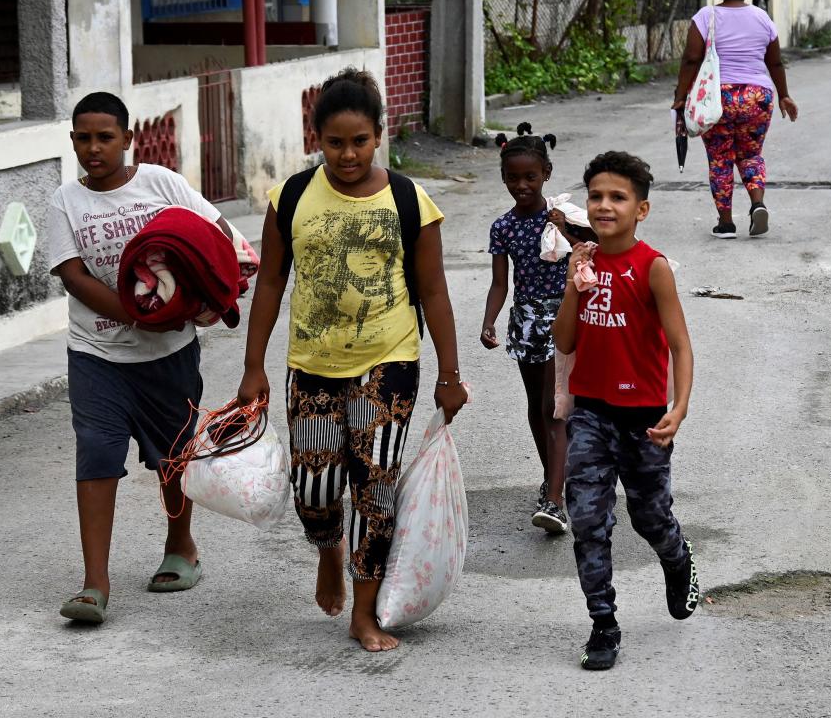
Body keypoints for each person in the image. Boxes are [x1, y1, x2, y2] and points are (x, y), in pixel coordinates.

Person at [238, 68, 467, 653]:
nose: (348, 154)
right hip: (311, 363)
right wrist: (253, 367)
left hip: (389, 363)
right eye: (335, 142)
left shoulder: (410, 201)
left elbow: (434, 291)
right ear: (317, 138)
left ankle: (364, 612)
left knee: (374, 488)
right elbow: (268, 285)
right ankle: (328, 549)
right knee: (315, 491)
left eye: (360, 140)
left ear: (379, 135)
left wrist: (449, 373)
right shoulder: (290, 198)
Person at [47, 91, 237, 625]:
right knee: (96, 453)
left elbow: (215, 233)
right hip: (95, 353)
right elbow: (73, 275)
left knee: (173, 455)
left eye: (105, 137)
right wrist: (140, 313)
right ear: (73, 142)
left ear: (129, 139)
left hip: (168, 353)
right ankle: (94, 584)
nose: (94, 148)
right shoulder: (64, 202)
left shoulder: (162, 184)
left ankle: (181, 547)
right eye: (83, 138)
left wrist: (206, 297)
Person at [552, 151, 698, 672]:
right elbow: (563, 341)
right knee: (589, 520)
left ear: (642, 209)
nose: (604, 205)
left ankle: (678, 560)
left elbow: (680, 345)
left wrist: (678, 409)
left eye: (618, 197)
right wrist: (573, 280)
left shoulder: (652, 267)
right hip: (591, 413)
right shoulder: (583, 262)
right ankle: (603, 625)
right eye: (596, 196)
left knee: (649, 516)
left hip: (644, 418)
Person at [480, 133, 585, 535]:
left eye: (530, 177)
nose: (521, 185)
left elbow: (591, 251)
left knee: (554, 407)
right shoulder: (503, 227)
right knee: (536, 405)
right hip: (525, 322)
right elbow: (499, 285)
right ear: (504, 178)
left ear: (546, 174)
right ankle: (552, 480)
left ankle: (555, 500)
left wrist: (567, 231)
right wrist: (489, 321)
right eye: (512, 178)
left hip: (563, 317)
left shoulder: (562, 216)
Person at [672, 0, 799, 239]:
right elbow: (775, 62)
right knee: (751, 154)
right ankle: (757, 204)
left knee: (720, 159)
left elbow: (692, 58)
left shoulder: (706, 17)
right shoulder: (763, 18)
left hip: (718, 98)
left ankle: (726, 223)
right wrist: (784, 95)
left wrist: (681, 97)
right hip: (758, 97)